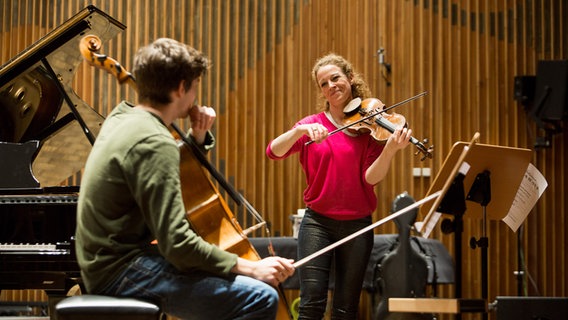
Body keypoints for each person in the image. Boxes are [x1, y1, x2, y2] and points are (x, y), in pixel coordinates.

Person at [75, 38, 295, 320]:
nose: (194, 97)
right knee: (260, 295)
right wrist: (252, 268)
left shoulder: (122, 118)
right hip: (121, 271)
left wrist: (196, 140)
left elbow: (156, 172)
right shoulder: (156, 141)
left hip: (103, 263)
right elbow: (177, 244)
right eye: (194, 87)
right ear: (181, 87)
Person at [266, 53, 411, 319]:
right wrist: (299, 131)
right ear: (321, 90)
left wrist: (390, 149)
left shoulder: (369, 126)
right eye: (324, 83)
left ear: (350, 78)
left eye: (336, 78)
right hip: (317, 223)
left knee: (346, 308)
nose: (331, 85)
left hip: (357, 225)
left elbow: (370, 178)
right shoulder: (311, 125)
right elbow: (273, 151)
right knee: (311, 302)